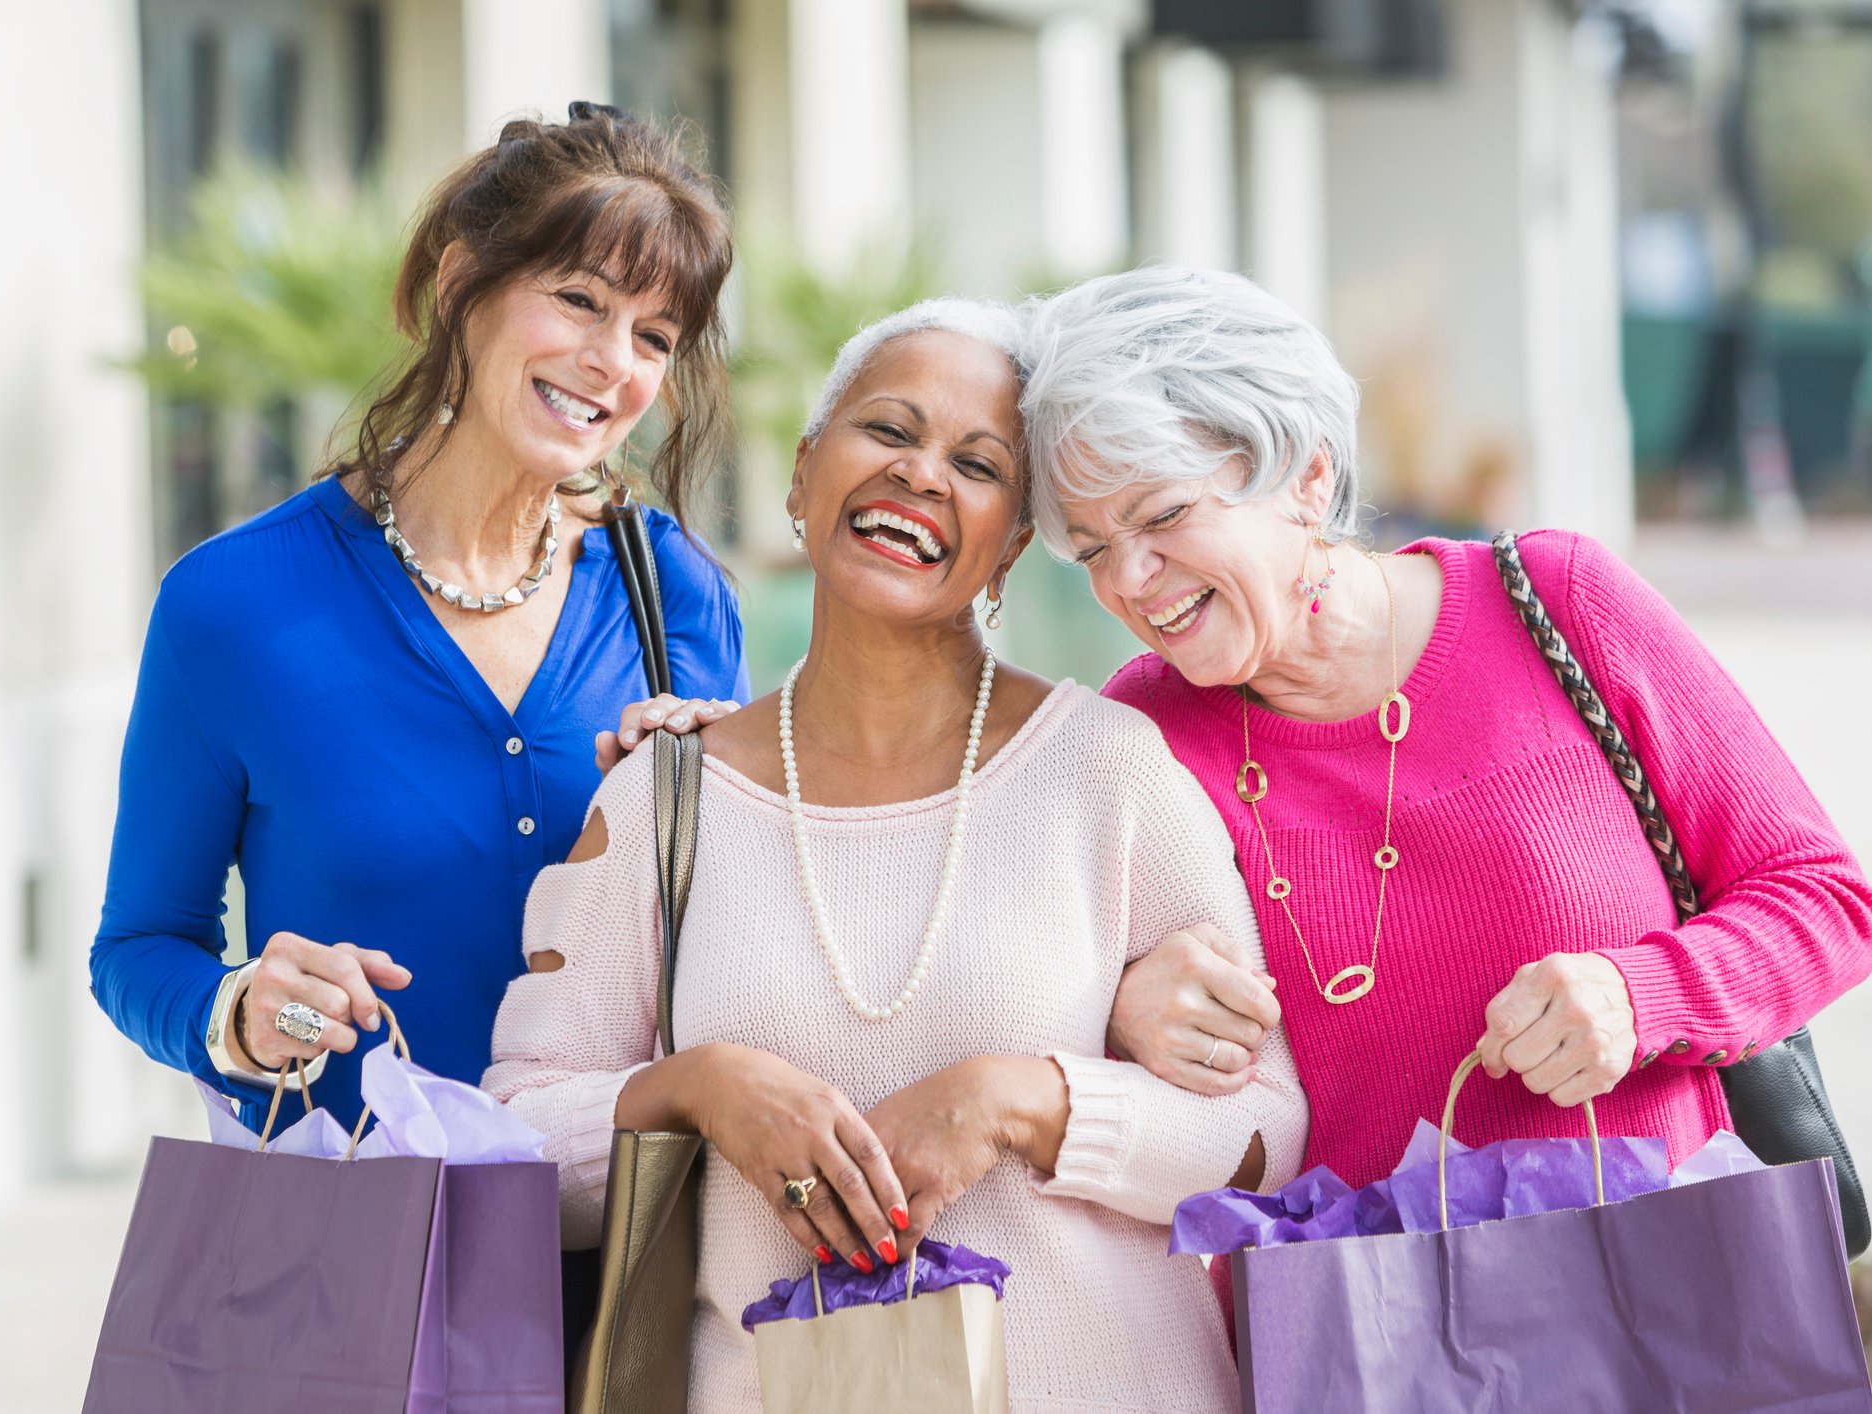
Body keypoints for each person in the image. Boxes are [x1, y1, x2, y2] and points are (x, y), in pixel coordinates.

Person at [485, 298, 1307, 1412]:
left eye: (977, 463)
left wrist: (1024, 1100)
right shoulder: (663, 799)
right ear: (804, 471)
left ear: (1014, 541)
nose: (923, 475)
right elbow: (512, 1149)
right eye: (889, 431)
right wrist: (696, 1089)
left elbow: (1263, 1132)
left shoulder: (1109, 770)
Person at [1019, 263, 1872, 1205]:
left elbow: (1823, 900)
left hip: (1664, 1301)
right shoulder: (1137, 733)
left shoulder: (1557, 602)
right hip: (1371, 1331)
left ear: (1304, 474)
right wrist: (1116, 1008)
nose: (1130, 581)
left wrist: (1641, 997)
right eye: (1093, 549)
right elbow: (1026, 1003)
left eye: (1163, 516)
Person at [90, 104, 747, 1154]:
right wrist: (250, 1013)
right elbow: (139, 947)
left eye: (653, 336)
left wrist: (718, 824)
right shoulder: (235, 604)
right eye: (578, 299)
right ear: (459, 288)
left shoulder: (677, 594)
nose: (613, 362)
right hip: (360, 1263)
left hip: (635, 1262)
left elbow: (740, 954)